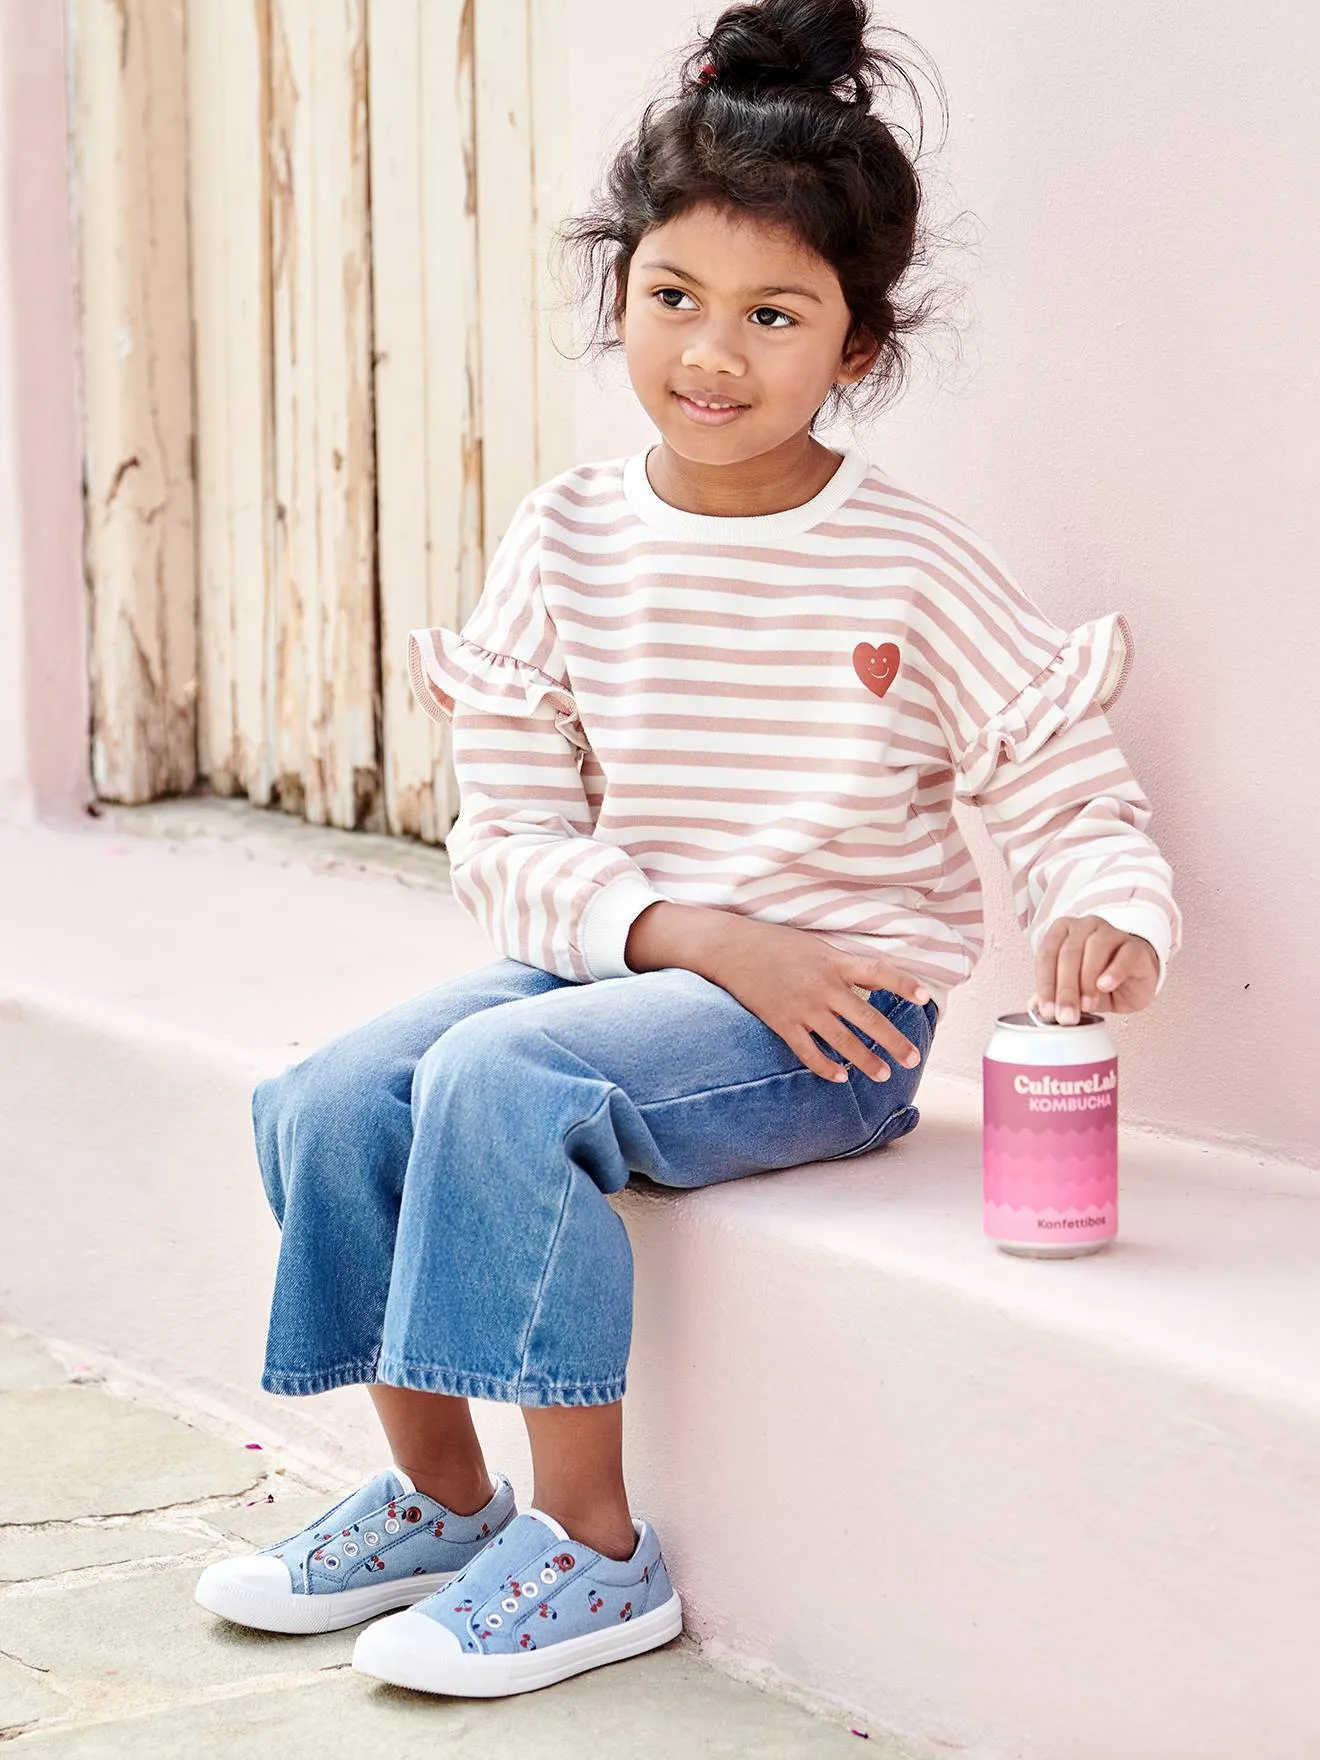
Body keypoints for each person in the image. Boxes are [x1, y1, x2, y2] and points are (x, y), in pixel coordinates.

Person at [196, 0, 1180, 1699]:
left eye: (774, 315)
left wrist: (1110, 906)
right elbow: (502, 834)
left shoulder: (908, 564)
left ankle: (589, 1550)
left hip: (834, 1030)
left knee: (502, 1083)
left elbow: (1059, 772)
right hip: (632, 963)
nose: (712, 353)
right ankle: (440, 1496)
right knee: (331, 1093)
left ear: (855, 348)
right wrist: (694, 934)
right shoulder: (566, 535)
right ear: (621, 291)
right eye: (674, 299)